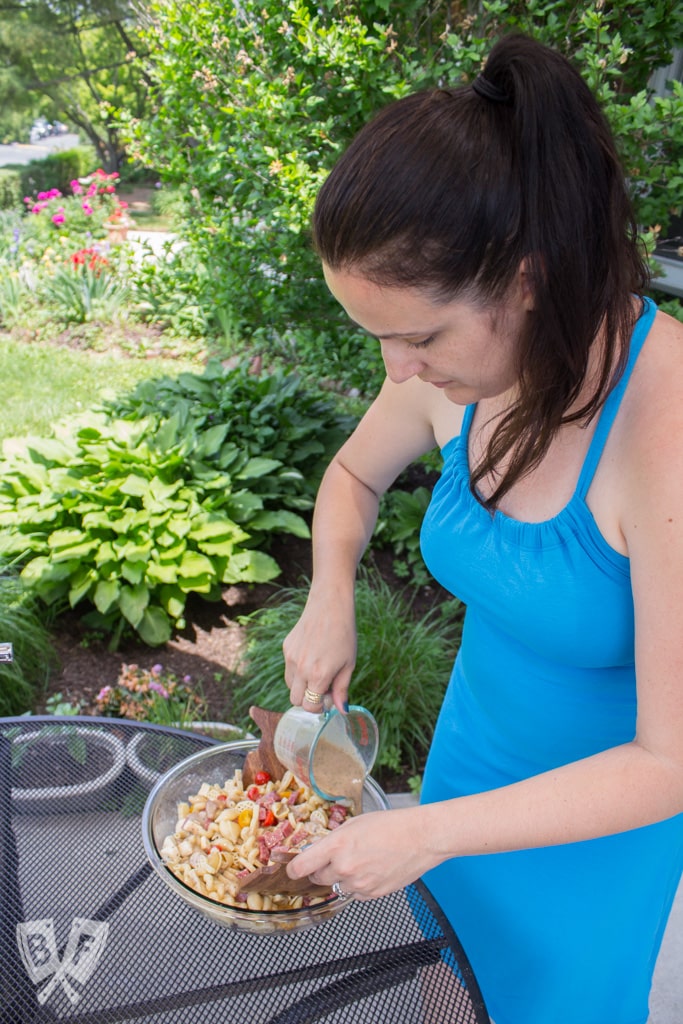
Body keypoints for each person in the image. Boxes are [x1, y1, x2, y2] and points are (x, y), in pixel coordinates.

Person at [281, 31, 683, 1024]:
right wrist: (329, 595)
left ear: (525, 279)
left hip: (591, 836)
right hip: (466, 766)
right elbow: (349, 475)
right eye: (376, 340)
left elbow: (667, 761)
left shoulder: (663, 434)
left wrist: (427, 832)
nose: (395, 372)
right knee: (443, 996)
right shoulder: (450, 383)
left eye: (415, 337)